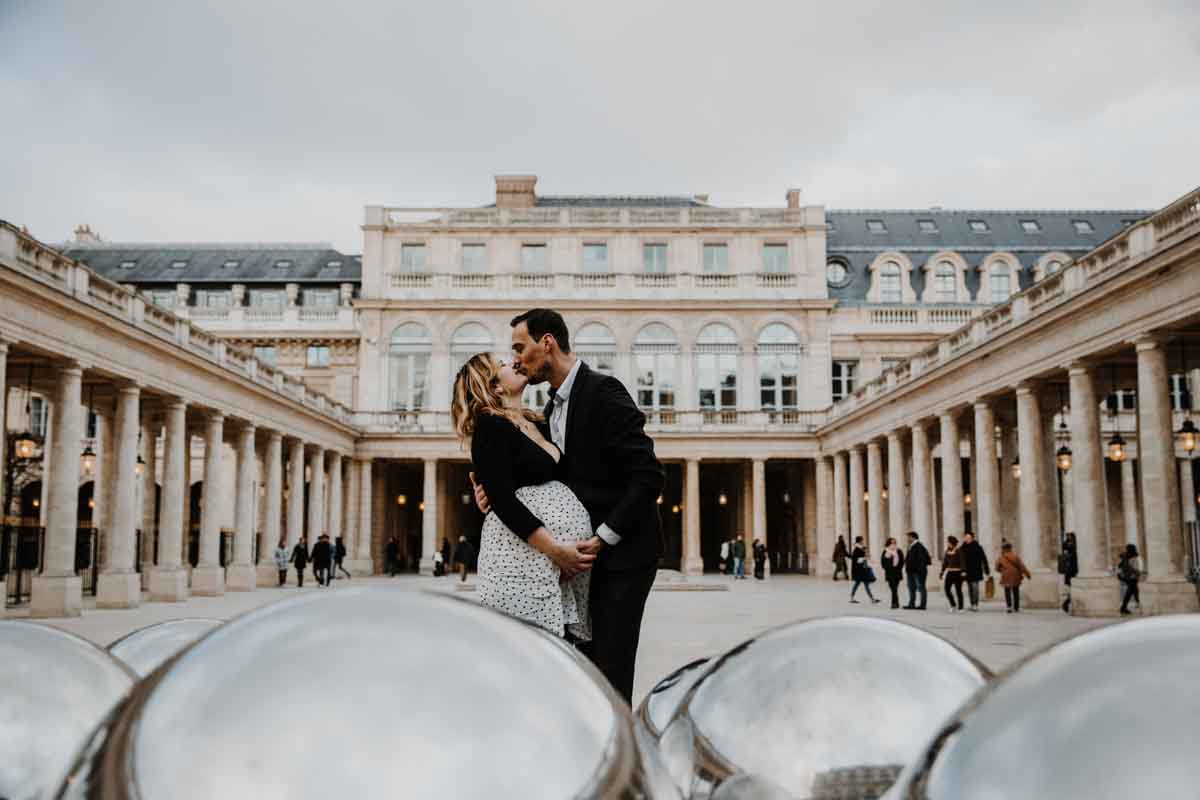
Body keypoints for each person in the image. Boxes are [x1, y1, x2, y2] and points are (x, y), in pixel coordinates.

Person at [472, 309, 664, 705]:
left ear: (547, 343)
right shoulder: (548, 411)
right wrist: (488, 489)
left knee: (610, 668)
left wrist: (603, 537)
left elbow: (648, 475)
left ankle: (619, 741)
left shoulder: (604, 391)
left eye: (519, 348)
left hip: (623, 554)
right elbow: (530, 466)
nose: (516, 359)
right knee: (585, 666)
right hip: (582, 560)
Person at [997, 542, 1033, 613]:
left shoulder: (1001, 557)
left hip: (1006, 575)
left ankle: (1009, 607)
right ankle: (1016, 607)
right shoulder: (1015, 556)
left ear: (1003, 549)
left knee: (1007, 591)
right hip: (1015, 575)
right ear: (1010, 548)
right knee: (1015, 591)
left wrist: (1002, 570)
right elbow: (1022, 566)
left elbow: (997, 567)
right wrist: (1028, 574)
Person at [960, 531, 990, 611]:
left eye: (968, 538)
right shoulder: (962, 547)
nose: (967, 539)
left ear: (972, 538)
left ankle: (975, 604)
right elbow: (960, 560)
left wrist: (986, 570)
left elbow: (984, 559)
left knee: (975, 587)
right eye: (966, 537)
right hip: (967, 571)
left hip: (976, 570)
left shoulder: (978, 547)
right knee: (970, 588)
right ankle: (972, 604)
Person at [904, 532, 930, 610]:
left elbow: (922, 560)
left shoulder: (919, 546)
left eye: (908, 537)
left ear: (913, 537)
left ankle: (922, 605)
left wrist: (919, 570)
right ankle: (911, 604)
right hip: (910, 571)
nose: (907, 539)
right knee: (911, 587)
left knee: (921, 587)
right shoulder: (910, 546)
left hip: (918, 572)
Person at [849, 536, 879, 604]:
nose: (863, 542)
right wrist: (865, 557)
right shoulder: (857, 550)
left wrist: (865, 556)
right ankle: (871, 599)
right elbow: (857, 560)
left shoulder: (860, 549)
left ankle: (872, 598)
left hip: (862, 570)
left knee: (864, 584)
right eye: (862, 540)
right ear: (860, 541)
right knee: (860, 584)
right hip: (859, 570)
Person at [940, 535, 965, 612]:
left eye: (948, 542)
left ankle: (961, 607)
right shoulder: (947, 551)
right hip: (950, 572)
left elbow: (962, 561)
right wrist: (942, 572)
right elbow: (945, 563)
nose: (947, 544)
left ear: (952, 543)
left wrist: (963, 571)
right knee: (947, 589)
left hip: (958, 573)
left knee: (958, 590)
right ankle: (953, 605)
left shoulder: (959, 551)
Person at [880, 537, 905, 608]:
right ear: (888, 543)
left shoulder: (899, 551)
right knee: (893, 588)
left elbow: (902, 561)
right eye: (892, 542)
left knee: (894, 588)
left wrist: (898, 568)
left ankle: (894, 603)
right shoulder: (886, 551)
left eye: (894, 542)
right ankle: (896, 603)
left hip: (897, 573)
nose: (893, 544)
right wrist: (887, 568)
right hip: (889, 573)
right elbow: (883, 562)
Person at [1118, 543, 1141, 615]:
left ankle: (1124, 608)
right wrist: (1137, 572)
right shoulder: (1133, 556)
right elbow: (1133, 567)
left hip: (1127, 576)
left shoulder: (1125, 556)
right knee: (1132, 590)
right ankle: (1126, 607)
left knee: (1132, 590)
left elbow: (1120, 565)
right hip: (1131, 576)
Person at [1058, 532, 1079, 613]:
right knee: (1070, 588)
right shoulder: (1067, 544)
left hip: (1073, 568)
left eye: (1070, 536)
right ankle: (1066, 604)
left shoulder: (1074, 546)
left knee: (1071, 588)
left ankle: (1066, 604)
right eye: (1067, 536)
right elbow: (1063, 547)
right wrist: (1067, 540)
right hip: (1069, 569)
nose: (1068, 537)